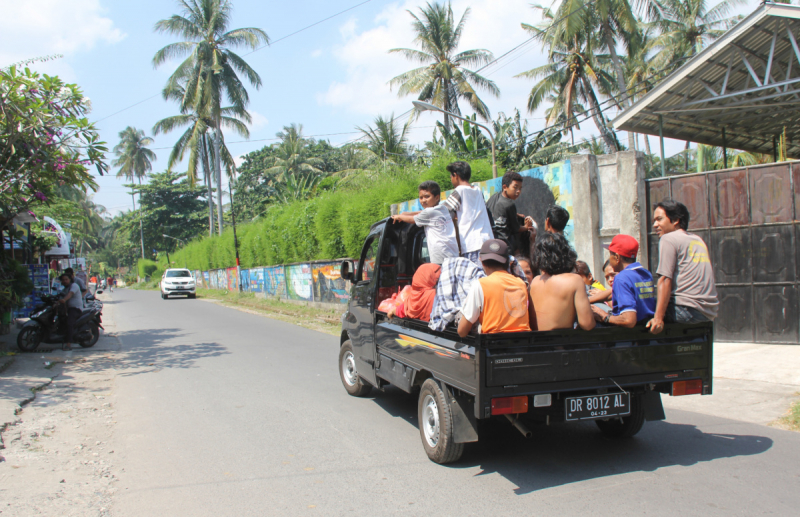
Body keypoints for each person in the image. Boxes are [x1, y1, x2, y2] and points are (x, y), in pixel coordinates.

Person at [647, 200, 719, 334]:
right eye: (654, 221)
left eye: (659, 219)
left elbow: (664, 280)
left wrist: (658, 319)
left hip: (685, 310)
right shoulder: (697, 239)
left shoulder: (668, 238)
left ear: (675, 220)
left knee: (639, 308)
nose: (655, 225)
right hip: (707, 312)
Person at [458, 239, 533, 337]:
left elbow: (462, 331)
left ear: (482, 262)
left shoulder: (480, 285)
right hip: (523, 345)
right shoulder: (521, 284)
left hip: (493, 347)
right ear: (508, 262)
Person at [529, 232, 595, 331]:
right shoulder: (574, 280)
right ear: (566, 254)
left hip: (538, 343)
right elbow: (587, 324)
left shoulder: (535, 281)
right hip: (562, 343)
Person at [591, 234, 656, 327]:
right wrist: (587, 300)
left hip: (629, 335)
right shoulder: (645, 273)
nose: (609, 259)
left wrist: (604, 316)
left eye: (610, 255)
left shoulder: (621, 278)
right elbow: (612, 293)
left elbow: (628, 320)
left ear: (617, 257)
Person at [391, 181, 459, 264]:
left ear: (437, 197)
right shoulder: (443, 209)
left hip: (440, 256)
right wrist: (406, 213)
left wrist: (399, 217)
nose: (423, 200)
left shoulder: (429, 213)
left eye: (427, 197)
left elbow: (413, 220)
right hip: (452, 254)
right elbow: (423, 212)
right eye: (421, 197)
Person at [443, 161, 494, 266]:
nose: (451, 179)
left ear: (455, 175)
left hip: (472, 244)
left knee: (476, 278)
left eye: (451, 176)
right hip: (488, 242)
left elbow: (445, 212)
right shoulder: (478, 190)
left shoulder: (459, 191)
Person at [486, 171, 534, 255]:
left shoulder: (494, 198)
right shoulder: (509, 204)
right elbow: (517, 228)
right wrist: (527, 226)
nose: (518, 191)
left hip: (492, 244)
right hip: (505, 246)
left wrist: (516, 214)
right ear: (505, 187)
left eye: (520, 188)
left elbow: (499, 211)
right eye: (515, 187)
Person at [57, 273, 83, 351]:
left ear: (70, 280)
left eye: (66, 279)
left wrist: (64, 300)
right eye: (63, 280)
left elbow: (70, 294)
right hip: (68, 309)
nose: (64, 281)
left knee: (69, 323)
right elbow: (60, 295)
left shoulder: (74, 286)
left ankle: (68, 344)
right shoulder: (65, 288)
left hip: (75, 309)